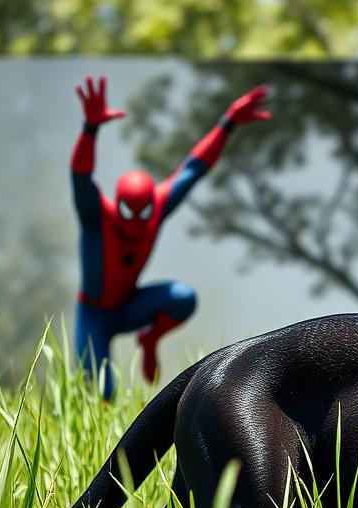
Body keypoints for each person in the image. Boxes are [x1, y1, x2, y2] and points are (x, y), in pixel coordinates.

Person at [70, 75, 271, 397]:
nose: (136, 221)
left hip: (129, 305)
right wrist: (90, 130)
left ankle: (149, 339)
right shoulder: (98, 218)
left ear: (153, 206)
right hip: (94, 314)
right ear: (116, 205)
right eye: (128, 212)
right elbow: (80, 176)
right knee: (99, 391)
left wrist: (227, 123)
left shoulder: (159, 206)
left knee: (182, 298)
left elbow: (193, 169)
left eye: (143, 213)